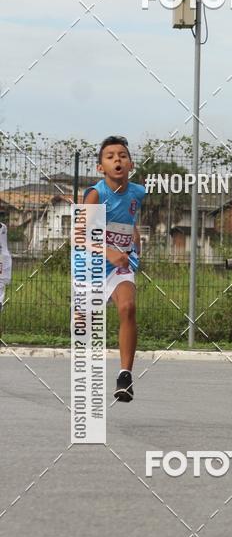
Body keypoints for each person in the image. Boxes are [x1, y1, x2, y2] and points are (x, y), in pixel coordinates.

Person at [83, 136, 145, 402]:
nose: (116, 159)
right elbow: (79, 235)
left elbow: (129, 221)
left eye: (122, 155)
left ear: (130, 164)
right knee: (84, 325)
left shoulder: (138, 193)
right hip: (93, 264)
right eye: (110, 156)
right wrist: (107, 251)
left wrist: (136, 246)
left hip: (122, 265)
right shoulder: (96, 194)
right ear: (100, 167)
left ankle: (125, 376)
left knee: (127, 307)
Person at [0, 220, 12, 313]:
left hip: (2, 259)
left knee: (1, 283)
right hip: (4, 258)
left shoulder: (2, 227)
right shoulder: (3, 227)